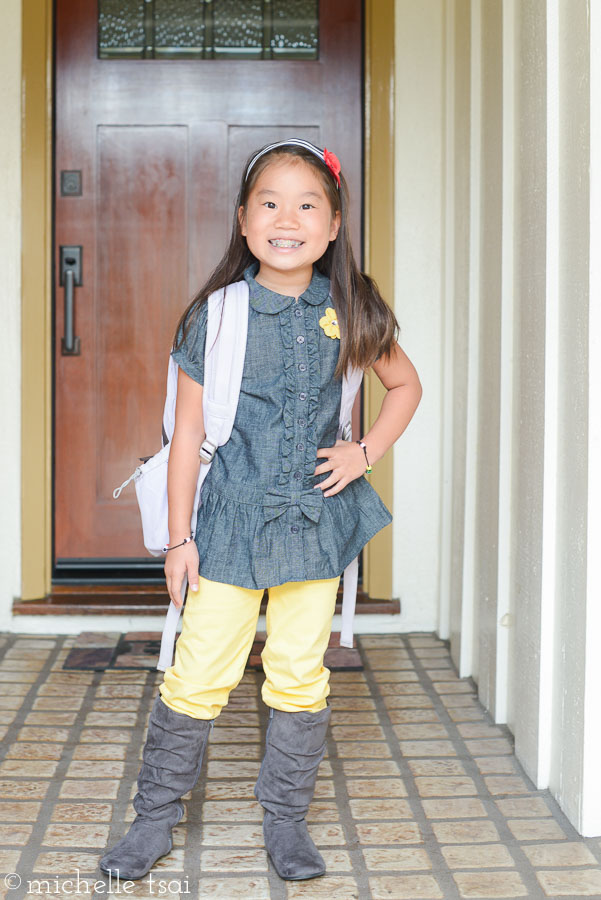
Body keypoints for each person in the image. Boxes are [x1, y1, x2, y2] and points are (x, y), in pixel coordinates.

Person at [100, 138, 422, 883]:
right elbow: (185, 439)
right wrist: (180, 540)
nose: (288, 218)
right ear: (243, 222)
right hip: (228, 528)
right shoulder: (215, 315)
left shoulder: (352, 307)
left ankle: (285, 823)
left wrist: (362, 452)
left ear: (334, 224)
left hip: (311, 526)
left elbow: (404, 387)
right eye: (269, 203)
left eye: (307, 204)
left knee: (298, 674)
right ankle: (152, 822)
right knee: (197, 673)